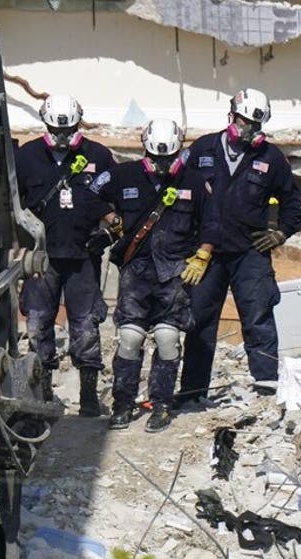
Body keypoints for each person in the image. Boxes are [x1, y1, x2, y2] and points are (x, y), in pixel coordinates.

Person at [177, 88, 301, 405]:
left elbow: (293, 206)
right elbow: (177, 191)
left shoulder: (270, 158)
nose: (247, 130)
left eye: (255, 125)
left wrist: (281, 233)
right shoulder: (203, 148)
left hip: (250, 253)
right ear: (232, 115)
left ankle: (266, 389)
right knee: (200, 320)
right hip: (207, 254)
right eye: (244, 121)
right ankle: (193, 394)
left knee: (258, 318)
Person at [90, 119, 217, 433]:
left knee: (167, 338)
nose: (161, 164)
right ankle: (122, 403)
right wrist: (111, 217)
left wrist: (203, 254)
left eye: (168, 158)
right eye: (156, 157)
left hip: (175, 272)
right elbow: (89, 193)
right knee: (131, 337)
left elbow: (213, 222)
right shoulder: (124, 175)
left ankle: (161, 404)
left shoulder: (195, 181)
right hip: (136, 272)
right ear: (144, 146)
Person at [14, 94, 114, 416]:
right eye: (56, 130)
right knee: (38, 323)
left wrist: (110, 228)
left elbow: (116, 202)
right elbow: (10, 206)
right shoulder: (27, 156)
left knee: (85, 326)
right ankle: (43, 393)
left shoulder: (98, 155)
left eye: (68, 128)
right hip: (41, 258)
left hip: (83, 257)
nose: (61, 136)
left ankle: (88, 395)